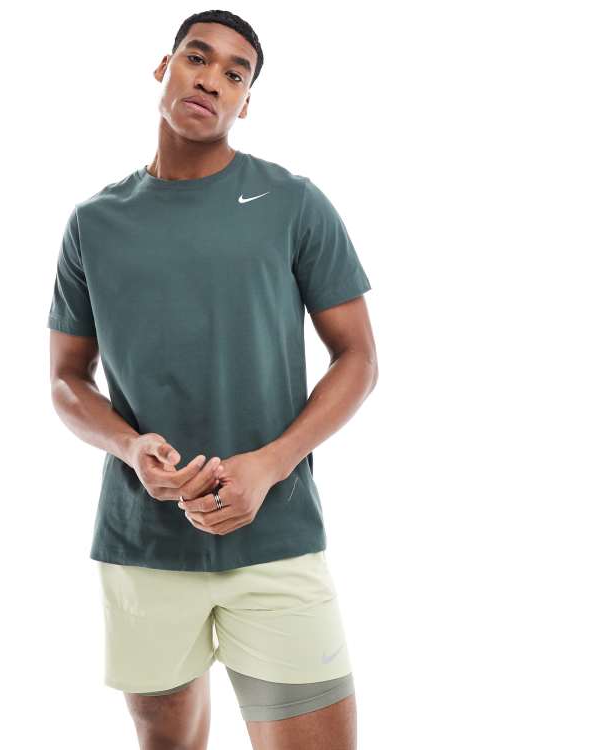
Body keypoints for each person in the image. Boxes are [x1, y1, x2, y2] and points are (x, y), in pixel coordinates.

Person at [47, 9, 377, 749]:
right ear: (163, 68)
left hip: (277, 535)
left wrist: (270, 464)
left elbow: (358, 357)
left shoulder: (293, 202)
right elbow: (66, 380)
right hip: (143, 546)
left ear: (246, 103)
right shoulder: (93, 223)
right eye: (198, 58)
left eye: (236, 73)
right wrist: (131, 448)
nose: (213, 80)